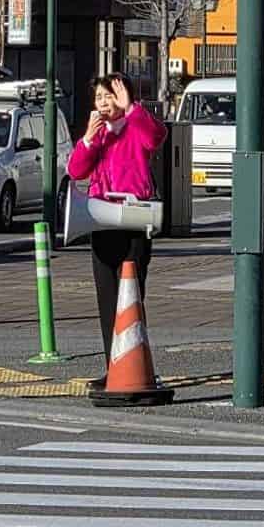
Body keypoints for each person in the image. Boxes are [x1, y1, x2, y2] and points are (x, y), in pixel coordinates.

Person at [65, 72, 168, 390]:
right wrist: (87, 139)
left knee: (132, 296)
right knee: (108, 297)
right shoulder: (100, 135)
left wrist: (132, 107)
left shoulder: (136, 126)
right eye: (99, 97)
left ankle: (138, 365)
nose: (103, 103)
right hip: (102, 221)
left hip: (134, 221)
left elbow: (155, 137)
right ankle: (113, 367)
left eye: (109, 96)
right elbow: (76, 170)